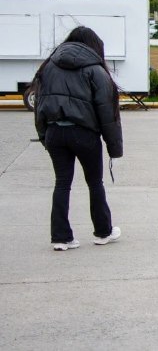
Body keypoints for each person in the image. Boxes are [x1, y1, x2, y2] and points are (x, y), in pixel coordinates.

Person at [33, 26, 123, 251]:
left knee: (62, 183)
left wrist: (44, 135)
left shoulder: (48, 66)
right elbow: (107, 113)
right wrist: (114, 148)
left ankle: (61, 237)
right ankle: (103, 232)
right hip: (84, 134)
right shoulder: (96, 70)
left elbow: (39, 105)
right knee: (94, 183)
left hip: (55, 132)